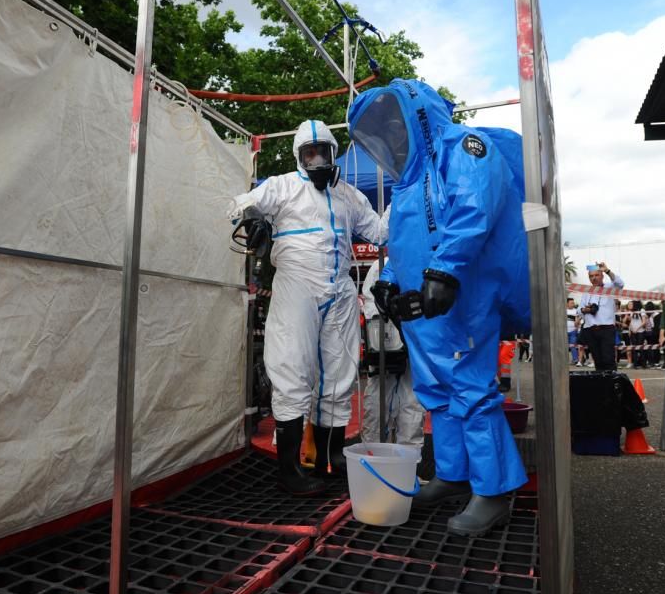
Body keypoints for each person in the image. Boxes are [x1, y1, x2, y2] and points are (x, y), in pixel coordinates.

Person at [349, 78, 528, 536]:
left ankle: (493, 490)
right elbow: (403, 246)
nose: (389, 138)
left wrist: (445, 271)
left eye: (392, 124)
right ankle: (453, 474)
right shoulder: (409, 181)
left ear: (416, 114)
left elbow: (475, 208)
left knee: (471, 390)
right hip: (423, 311)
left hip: (461, 299)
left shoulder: (462, 147)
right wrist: (387, 282)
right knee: (437, 395)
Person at [226, 120, 387, 495]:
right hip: (297, 284)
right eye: (308, 152)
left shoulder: (349, 196)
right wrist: (250, 218)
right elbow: (240, 203)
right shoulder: (281, 186)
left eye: (322, 151)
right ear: (300, 156)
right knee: (292, 367)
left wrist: (406, 204)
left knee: (340, 373)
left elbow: (378, 232)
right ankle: (290, 470)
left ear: (332, 152)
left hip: (341, 289)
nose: (316, 159)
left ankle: (331, 459)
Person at [360, 254, 425, 452]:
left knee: (412, 407)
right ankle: (374, 462)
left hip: (414, 351)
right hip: (385, 351)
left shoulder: (420, 260)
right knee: (378, 407)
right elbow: (372, 308)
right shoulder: (380, 267)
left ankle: (407, 468)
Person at [577, 263, 625, 372]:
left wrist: (607, 270)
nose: (593, 278)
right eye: (591, 276)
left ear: (602, 276)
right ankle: (602, 386)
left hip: (606, 329)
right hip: (590, 330)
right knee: (598, 361)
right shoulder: (586, 291)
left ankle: (611, 385)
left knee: (608, 360)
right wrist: (585, 310)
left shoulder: (610, 287)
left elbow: (620, 284)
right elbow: (579, 310)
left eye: (596, 275)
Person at [566, 297, 580, 365]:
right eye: (571, 303)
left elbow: (578, 321)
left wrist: (577, 323)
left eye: (573, 303)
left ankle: (575, 359)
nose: (573, 304)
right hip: (564, 331)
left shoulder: (576, 311)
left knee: (573, 346)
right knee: (564, 346)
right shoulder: (563, 310)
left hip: (573, 331)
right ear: (567, 303)